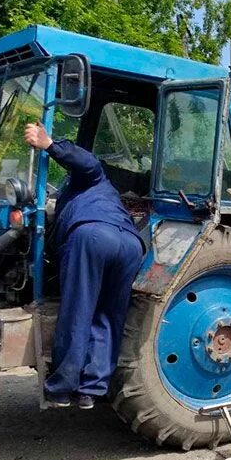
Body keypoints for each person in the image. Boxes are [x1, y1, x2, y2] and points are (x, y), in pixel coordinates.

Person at [24, 122, 145, 410]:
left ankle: (62, 388)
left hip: (93, 236)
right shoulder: (106, 195)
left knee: (78, 310)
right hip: (130, 245)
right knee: (107, 316)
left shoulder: (92, 177)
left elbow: (88, 163)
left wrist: (50, 144)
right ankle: (91, 389)